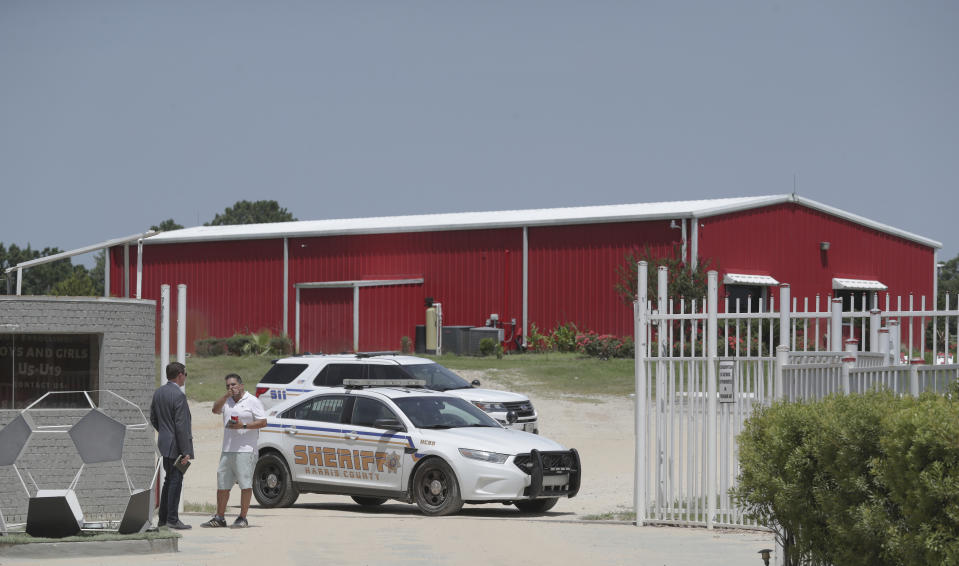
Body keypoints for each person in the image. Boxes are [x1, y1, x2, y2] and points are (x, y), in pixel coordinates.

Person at [202, 373, 267, 528]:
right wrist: (225, 396)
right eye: (228, 386)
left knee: (245, 485)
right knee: (222, 485)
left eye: (233, 385)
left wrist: (243, 426)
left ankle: (242, 518)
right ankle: (219, 517)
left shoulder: (252, 401)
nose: (231, 388)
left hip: (246, 449)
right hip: (227, 449)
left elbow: (263, 422)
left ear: (241, 385)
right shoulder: (227, 401)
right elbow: (215, 410)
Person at [150, 362, 194, 530]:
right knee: (175, 481)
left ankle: (163, 518)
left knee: (169, 481)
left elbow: (153, 417)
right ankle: (172, 519)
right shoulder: (179, 396)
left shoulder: (159, 392)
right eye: (185, 374)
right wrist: (186, 451)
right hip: (176, 446)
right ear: (180, 375)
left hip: (164, 443)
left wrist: (164, 433)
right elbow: (181, 426)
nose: (185, 377)